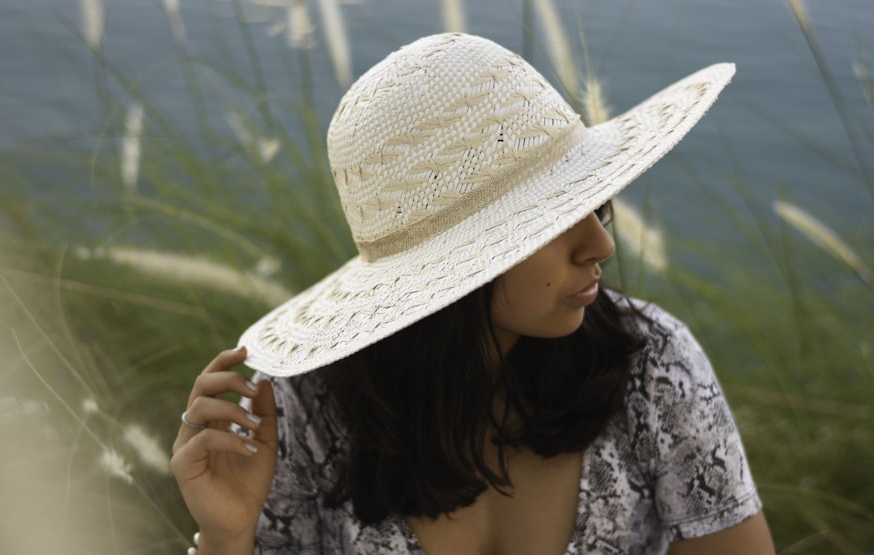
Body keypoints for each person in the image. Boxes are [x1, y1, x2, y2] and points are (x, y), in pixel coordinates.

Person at [171, 33, 775, 555]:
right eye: (552, 217)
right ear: (457, 268)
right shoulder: (302, 413)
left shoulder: (651, 365)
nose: (601, 244)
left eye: (593, 203)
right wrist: (227, 538)